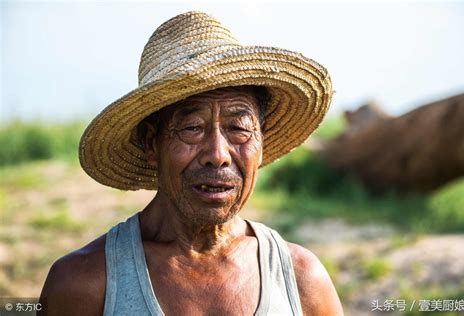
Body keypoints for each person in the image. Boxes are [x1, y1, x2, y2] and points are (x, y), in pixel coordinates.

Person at [39, 11, 343, 316]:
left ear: (261, 142)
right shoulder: (85, 285)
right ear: (151, 143)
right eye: (191, 128)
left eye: (238, 128)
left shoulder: (302, 280)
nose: (218, 153)